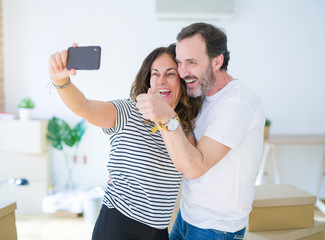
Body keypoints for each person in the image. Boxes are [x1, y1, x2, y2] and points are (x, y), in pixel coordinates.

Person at [48, 43, 201, 240]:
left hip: (159, 232)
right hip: (118, 226)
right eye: (155, 74)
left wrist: (165, 118)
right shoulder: (128, 111)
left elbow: (190, 166)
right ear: (148, 81)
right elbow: (84, 107)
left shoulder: (183, 127)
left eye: (170, 74)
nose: (161, 80)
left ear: (181, 81)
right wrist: (61, 81)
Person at [136, 22, 265, 239]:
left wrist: (167, 116)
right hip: (186, 217)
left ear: (217, 61)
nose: (182, 72)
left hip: (216, 228)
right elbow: (182, 151)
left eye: (191, 62)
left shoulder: (238, 103)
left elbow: (195, 167)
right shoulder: (201, 96)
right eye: (179, 62)